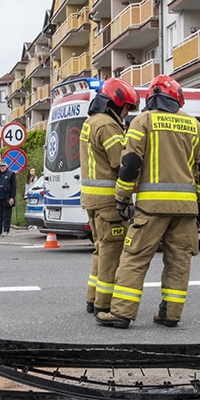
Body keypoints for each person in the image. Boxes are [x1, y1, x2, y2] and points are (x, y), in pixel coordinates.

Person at [95, 75, 200, 329]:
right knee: (179, 260)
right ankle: (170, 314)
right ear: (177, 99)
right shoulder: (194, 125)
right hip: (186, 210)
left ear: (152, 98)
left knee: (134, 257)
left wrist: (122, 196)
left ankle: (121, 313)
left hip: (152, 208)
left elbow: (130, 164)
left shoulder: (143, 121)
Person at [80, 77, 141, 314]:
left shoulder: (92, 122)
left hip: (92, 200)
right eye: (126, 107)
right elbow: (120, 162)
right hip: (108, 202)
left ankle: (92, 297)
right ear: (115, 103)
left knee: (101, 249)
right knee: (111, 253)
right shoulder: (108, 125)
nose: (126, 113)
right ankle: (103, 303)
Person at [0, 157, 16, 237]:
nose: (2, 167)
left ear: (6, 166)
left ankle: (6, 230)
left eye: (4, 166)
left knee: (6, 215)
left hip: (7, 198)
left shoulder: (11, 174)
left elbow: (13, 187)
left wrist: (12, 197)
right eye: (1, 166)